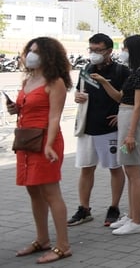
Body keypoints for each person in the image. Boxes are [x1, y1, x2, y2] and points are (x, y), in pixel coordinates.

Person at [10, 37, 73, 263]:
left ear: (48, 55)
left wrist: (48, 144)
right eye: (29, 50)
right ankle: (42, 239)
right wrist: (14, 108)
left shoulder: (54, 82)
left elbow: (54, 116)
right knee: (33, 191)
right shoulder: (28, 80)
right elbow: (27, 108)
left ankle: (63, 245)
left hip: (46, 142)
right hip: (27, 142)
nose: (30, 55)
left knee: (51, 193)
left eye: (36, 51)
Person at [89, 34, 140, 235]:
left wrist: (131, 134)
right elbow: (120, 97)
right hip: (124, 117)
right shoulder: (134, 72)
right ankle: (132, 216)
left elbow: (137, 106)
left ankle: (137, 220)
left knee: (135, 172)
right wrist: (104, 82)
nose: (122, 52)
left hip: (131, 121)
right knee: (129, 170)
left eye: (125, 48)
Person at [68, 33, 129, 229]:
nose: (94, 54)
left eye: (98, 50)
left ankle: (114, 207)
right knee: (86, 169)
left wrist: (120, 116)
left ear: (109, 51)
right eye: (91, 50)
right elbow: (80, 92)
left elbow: (124, 100)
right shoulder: (85, 69)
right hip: (87, 127)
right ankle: (84, 209)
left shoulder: (121, 71)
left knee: (114, 167)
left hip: (109, 129)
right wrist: (77, 96)